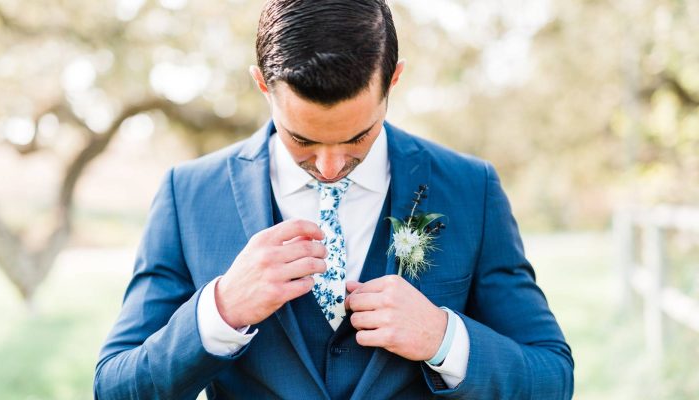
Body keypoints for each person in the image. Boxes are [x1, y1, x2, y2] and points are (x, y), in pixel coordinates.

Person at [94, 0, 574, 399]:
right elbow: (115, 386)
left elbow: (552, 377)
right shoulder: (189, 195)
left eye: (357, 137)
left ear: (393, 80)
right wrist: (219, 313)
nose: (329, 166)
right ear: (262, 84)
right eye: (301, 139)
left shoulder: (471, 188)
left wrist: (443, 339)